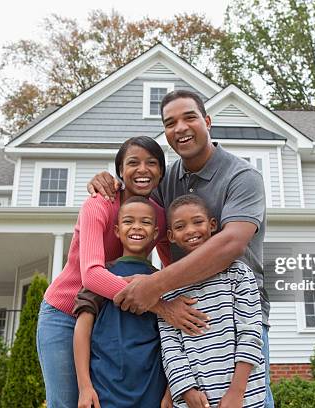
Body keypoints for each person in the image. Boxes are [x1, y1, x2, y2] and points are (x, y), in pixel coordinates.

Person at [87, 90, 275, 407]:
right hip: (182, 313)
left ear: (208, 121)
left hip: (235, 316)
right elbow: (137, 205)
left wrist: (155, 285)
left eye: (189, 117)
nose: (180, 128)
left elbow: (231, 243)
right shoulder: (168, 179)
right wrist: (110, 180)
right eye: (170, 123)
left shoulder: (242, 176)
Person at [37, 136, 209, 408]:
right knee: (69, 402)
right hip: (65, 313)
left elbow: (173, 269)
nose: (143, 170)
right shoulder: (99, 204)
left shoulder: (159, 217)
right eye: (133, 163)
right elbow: (91, 276)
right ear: (120, 171)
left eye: (151, 163)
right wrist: (159, 304)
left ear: (161, 172)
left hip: (112, 315)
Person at [160, 194, 265, 408]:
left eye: (197, 222)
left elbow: (251, 332)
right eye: (181, 226)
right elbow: (170, 347)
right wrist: (186, 390)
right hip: (194, 400)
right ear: (171, 236)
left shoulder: (238, 274)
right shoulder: (168, 287)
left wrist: (237, 391)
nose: (190, 230)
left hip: (243, 396)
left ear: (212, 225)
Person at [73, 196, 168, 408]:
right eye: (128, 221)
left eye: (145, 222)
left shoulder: (162, 282)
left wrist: (170, 391)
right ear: (116, 230)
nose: (136, 227)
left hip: (152, 391)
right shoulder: (102, 276)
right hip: (105, 390)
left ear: (155, 233)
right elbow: (82, 330)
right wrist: (84, 387)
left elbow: (173, 341)